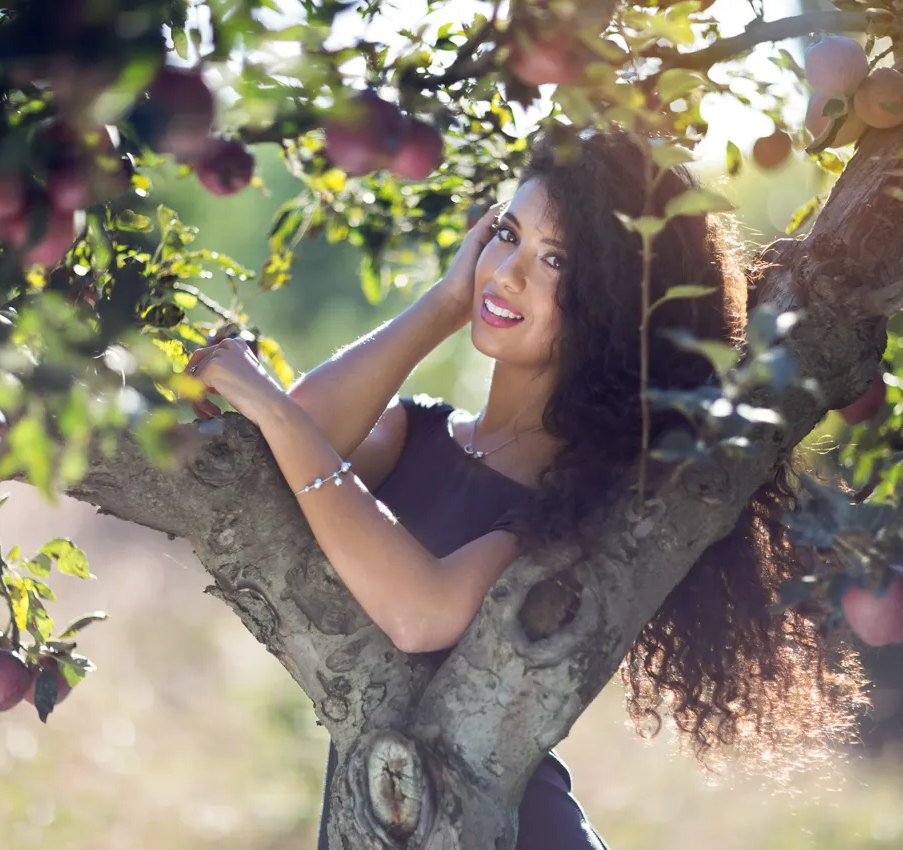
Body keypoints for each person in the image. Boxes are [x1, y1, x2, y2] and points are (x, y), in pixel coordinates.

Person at [184, 125, 866, 849]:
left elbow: (422, 612)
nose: (508, 274)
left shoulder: (580, 499)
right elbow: (288, 442)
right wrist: (446, 303)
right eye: (506, 235)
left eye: (555, 262)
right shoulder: (417, 433)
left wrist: (268, 402)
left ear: (609, 304)